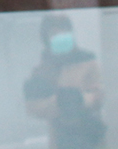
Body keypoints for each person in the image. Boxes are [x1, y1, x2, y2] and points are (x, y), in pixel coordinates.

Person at [23, 14, 106, 149]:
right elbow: (32, 107)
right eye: (54, 33)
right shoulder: (41, 71)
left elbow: (99, 95)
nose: (60, 36)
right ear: (46, 38)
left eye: (64, 31)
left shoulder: (86, 60)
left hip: (90, 136)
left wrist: (81, 99)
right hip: (61, 139)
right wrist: (58, 102)